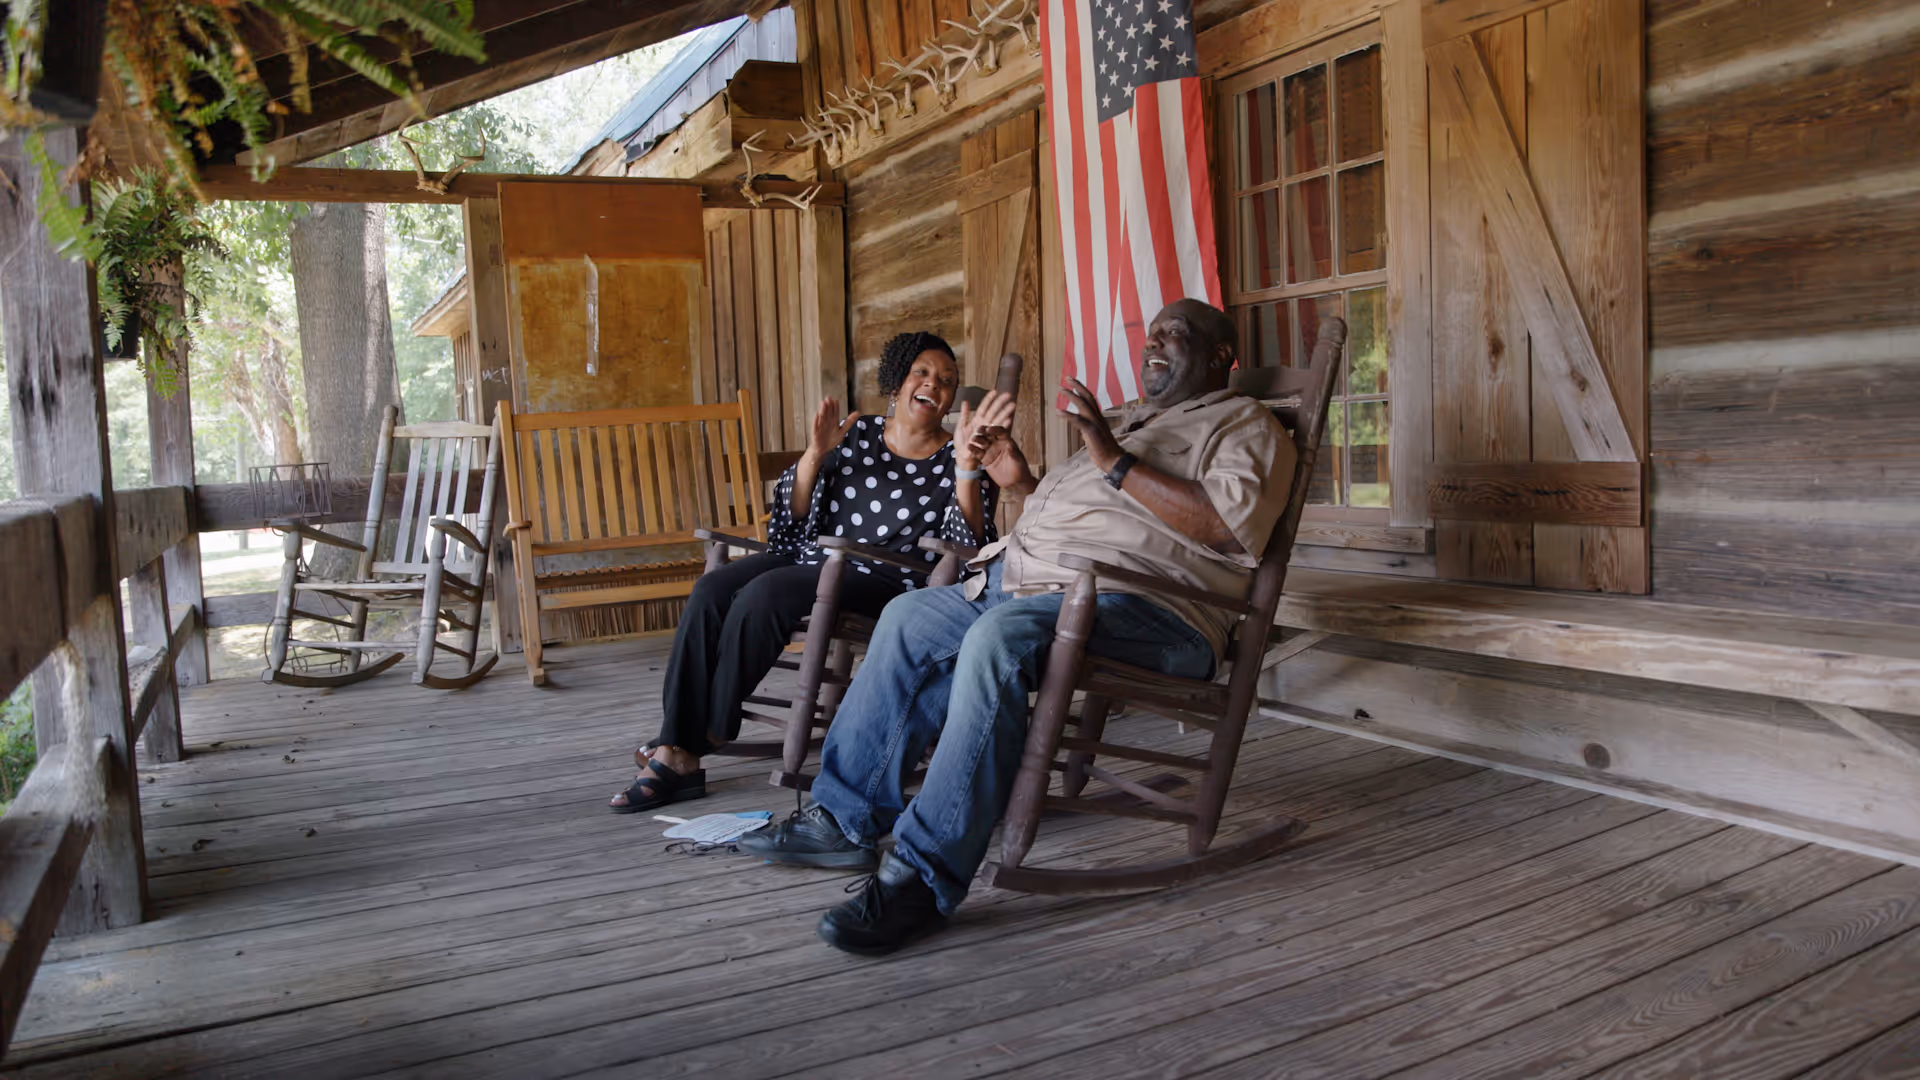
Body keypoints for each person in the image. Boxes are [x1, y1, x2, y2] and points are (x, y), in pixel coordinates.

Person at [740, 298, 1296, 955]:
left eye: (1176, 336)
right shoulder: (1130, 424)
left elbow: (1227, 526)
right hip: (1032, 585)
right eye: (1153, 334)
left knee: (995, 644)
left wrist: (1113, 459)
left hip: (1153, 609)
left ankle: (923, 876)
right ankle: (843, 819)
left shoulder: (1245, 424)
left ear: (1220, 359)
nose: (1155, 344)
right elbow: (1072, 517)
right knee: (910, 616)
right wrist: (1017, 476)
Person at [609, 331, 1037, 813]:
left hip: (886, 578)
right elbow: (791, 519)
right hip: (812, 557)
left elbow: (967, 547)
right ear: (897, 383)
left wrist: (965, 468)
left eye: (946, 380)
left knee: (767, 593)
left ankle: (692, 742)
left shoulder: (958, 454)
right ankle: (676, 743)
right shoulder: (856, 433)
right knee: (711, 588)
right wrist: (815, 455)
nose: (933, 384)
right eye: (922, 372)